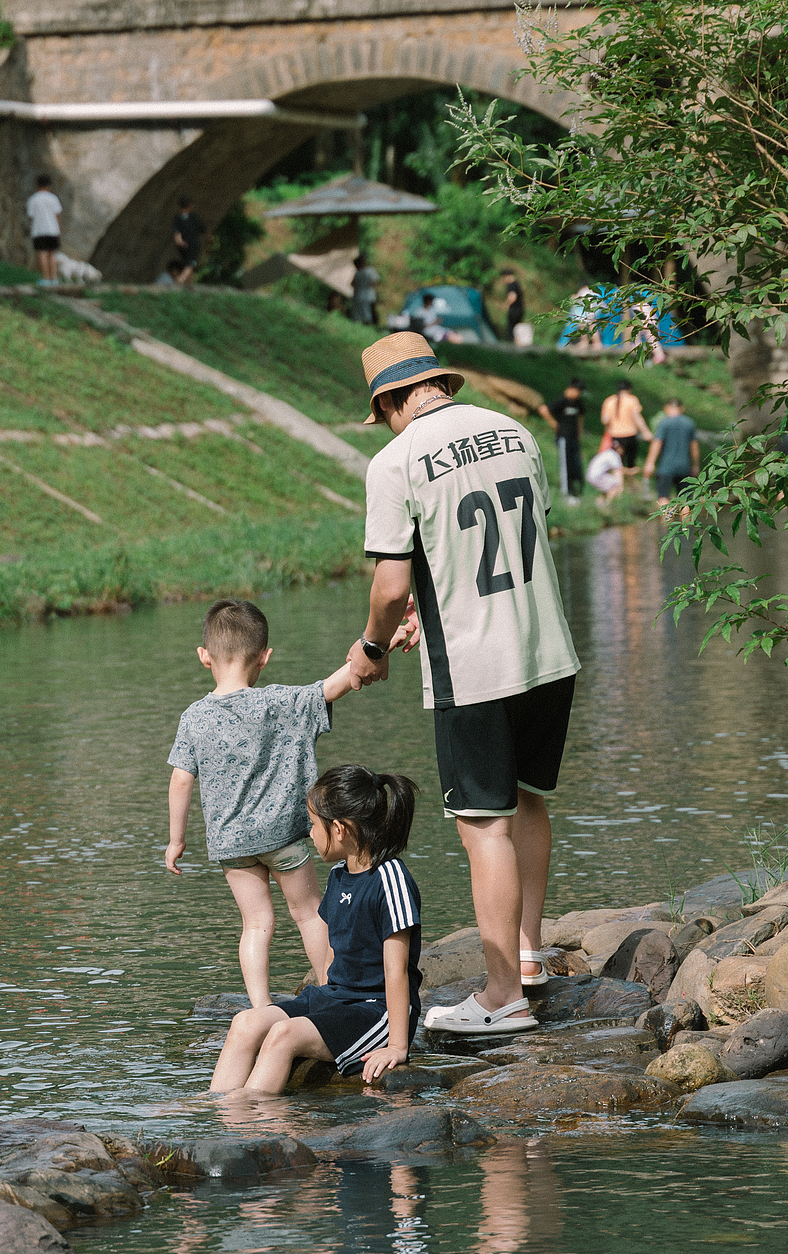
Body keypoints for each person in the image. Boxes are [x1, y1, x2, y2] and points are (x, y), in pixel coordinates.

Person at [346, 332, 581, 1036]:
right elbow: (500, 545)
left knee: (483, 826)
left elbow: (390, 586)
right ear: (441, 382)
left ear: (388, 401)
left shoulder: (395, 462)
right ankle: (529, 954)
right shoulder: (514, 432)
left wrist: (372, 645)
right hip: (548, 650)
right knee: (527, 799)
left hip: (475, 666)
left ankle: (502, 995)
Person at [168, 600, 390, 1010]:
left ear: (204, 657)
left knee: (255, 924)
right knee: (307, 913)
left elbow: (181, 779)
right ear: (264, 658)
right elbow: (333, 686)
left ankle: (260, 1008)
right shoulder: (279, 702)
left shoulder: (193, 717)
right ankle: (333, 989)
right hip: (283, 837)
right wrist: (376, 646)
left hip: (232, 844)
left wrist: (176, 840)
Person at [209, 764, 422, 1092]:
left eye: (312, 824)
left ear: (339, 829)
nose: (309, 833)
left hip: (373, 1009)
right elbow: (331, 954)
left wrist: (397, 1046)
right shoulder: (339, 873)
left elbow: (396, 972)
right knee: (246, 1023)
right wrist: (320, 1005)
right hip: (334, 997)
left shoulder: (389, 878)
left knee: (283, 1036)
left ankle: (247, 1124)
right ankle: (214, 1110)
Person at [537, 377, 586, 501]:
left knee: (575, 465)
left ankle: (577, 491)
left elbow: (580, 418)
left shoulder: (578, 403)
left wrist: (579, 433)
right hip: (563, 438)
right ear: (571, 389)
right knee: (565, 465)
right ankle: (566, 493)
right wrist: (554, 424)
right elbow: (543, 410)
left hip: (574, 438)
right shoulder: (562, 401)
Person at [643, 398, 699, 504]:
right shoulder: (689, 423)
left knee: (663, 496)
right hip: (684, 467)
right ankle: (687, 521)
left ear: (666, 408)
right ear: (681, 408)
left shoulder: (664, 423)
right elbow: (694, 446)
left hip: (666, 467)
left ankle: (667, 521)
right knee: (685, 499)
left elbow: (657, 443)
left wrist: (650, 463)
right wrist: (695, 465)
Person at [599, 379, 651, 476]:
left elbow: (605, 420)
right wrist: (645, 432)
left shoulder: (609, 401)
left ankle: (618, 483)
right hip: (630, 435)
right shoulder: (632, 400)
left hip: (615, 435)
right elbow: (637, 417)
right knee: (631, 462)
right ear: (629, 389)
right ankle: (631, 482)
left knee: (617, 462)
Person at [26, 175, 63, 287]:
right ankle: (54, 278)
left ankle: (46, 278)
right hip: (52, 229)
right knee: (52, 253)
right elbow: (57, 215)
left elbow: (31, 216)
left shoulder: (33, 199)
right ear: (49, 186)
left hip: (39, 230)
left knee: (42, 253)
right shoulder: (53, 198)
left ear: (37, 185)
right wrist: (59, 229)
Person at [172, 195, 206, 286]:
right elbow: (203, 229)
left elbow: (176, 231)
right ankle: (180, 280)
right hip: (192, 244)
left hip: (182, 245)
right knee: (191, 264)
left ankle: (189, 286)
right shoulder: (193, 218)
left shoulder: (177, 217)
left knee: (186, 263)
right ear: (190, 205)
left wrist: (179, 241)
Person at [351, 254, 380, 326]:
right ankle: (370, 325)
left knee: (358, 314)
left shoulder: (357, 273)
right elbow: (375, 281)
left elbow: (352, 284)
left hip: (358, 295)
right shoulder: (370, 270)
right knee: (369, 313)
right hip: (368, 295)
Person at [500, 269, 525, 343]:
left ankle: (510, 344)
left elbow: (513, 296)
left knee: (511, 328)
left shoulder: (511, 285)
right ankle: (517, 343)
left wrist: (506, 304)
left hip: (514, 310)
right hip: (520, 309)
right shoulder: (517, 284)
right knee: (516, 328)